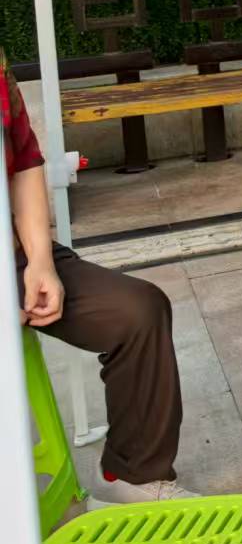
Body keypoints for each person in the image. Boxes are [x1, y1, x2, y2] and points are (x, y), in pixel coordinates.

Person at [6, 51, 197, 506]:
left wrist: (40, 261)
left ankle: (131, 474)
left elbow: (25, 160)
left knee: (137, 310)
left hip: (14, 258)